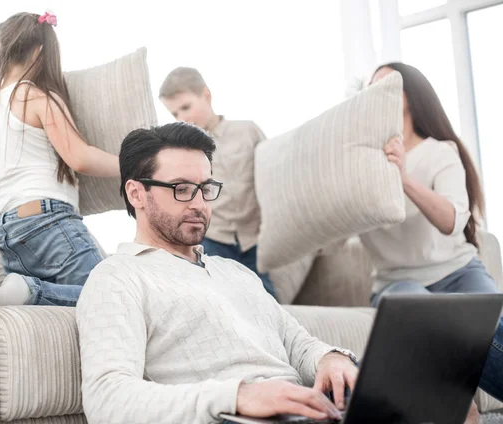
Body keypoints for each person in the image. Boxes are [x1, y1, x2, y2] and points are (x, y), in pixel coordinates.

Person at [76, 122, 358, 423]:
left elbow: (297, 344)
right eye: (181, 189)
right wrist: (237, 396)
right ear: (136, 194)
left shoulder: (236, 272)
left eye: (205, 188)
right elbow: (107, 401)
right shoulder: (118, 277)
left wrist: (330, 358)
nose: (199, 204)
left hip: (307, 413)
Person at [361, 62, 503, 417]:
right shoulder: (361, 163)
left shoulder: (440, 151)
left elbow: (451, 221)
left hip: (458, 272)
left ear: (410, 95)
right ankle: (459, 405)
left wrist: (405, 178)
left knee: (492, 332)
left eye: (387, 85)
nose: (377, 93)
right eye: (371, 87)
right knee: (420, 313)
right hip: (397, 281)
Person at [0, 12, 119, 306]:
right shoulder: (35, 97)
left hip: (8, 234)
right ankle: (30, 290)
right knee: (109, 299)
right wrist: (133, 164)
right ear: (39, 52)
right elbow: (79, 157)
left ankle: (28, 290)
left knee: (76, 308)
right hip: (48, 220)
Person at [159, 67, 276, 298]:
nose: (182, 118)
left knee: (267, 300)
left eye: (186, 107)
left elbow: (272, 177)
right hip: (214, 239)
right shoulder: (184, 152)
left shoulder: (247, 131)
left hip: (254, 238)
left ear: (206, 95)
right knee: (221, 300)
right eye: (174, 114)